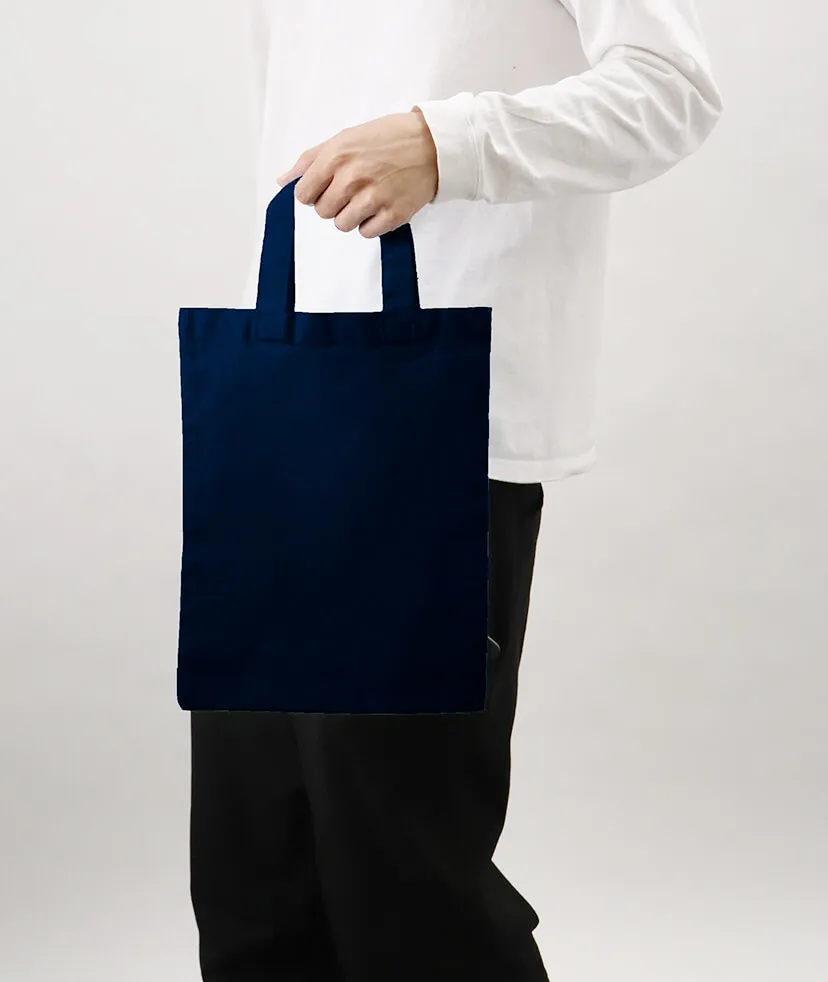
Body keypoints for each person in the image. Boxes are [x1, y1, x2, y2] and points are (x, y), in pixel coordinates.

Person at [188, 2, 723, 980]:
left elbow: (673, 85)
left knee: (403, 876)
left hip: (436, 406)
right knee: (254, 876)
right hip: (286, 396)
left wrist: (446, 143)